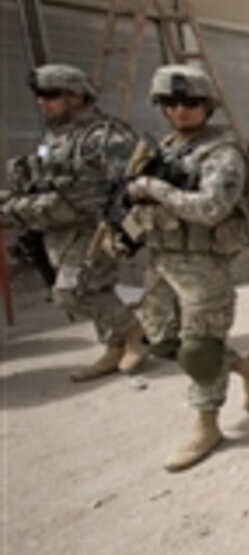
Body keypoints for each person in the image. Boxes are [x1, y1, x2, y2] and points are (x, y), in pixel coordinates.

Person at [125, 65, 249, 471]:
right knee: (160, 340)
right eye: (171, 103)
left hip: (204, 263)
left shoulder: (223, 153)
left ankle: (206, 426)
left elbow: (211, 208)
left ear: (207, 106)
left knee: (201, 349)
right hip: (161, 258)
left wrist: (153, 188)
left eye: (191, 103)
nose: (181, 110)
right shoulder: (164, 151)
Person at [1, 64, 146, 381]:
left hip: (94, 229)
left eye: (51, 95)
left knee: (72, 292)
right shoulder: (55, 136)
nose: (43, 102)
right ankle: (114, 347)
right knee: (94, 289)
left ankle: (134, 331)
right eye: (40, 96)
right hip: (56, 230)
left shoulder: (104, 135)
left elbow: (128, 184)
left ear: (77, 96)